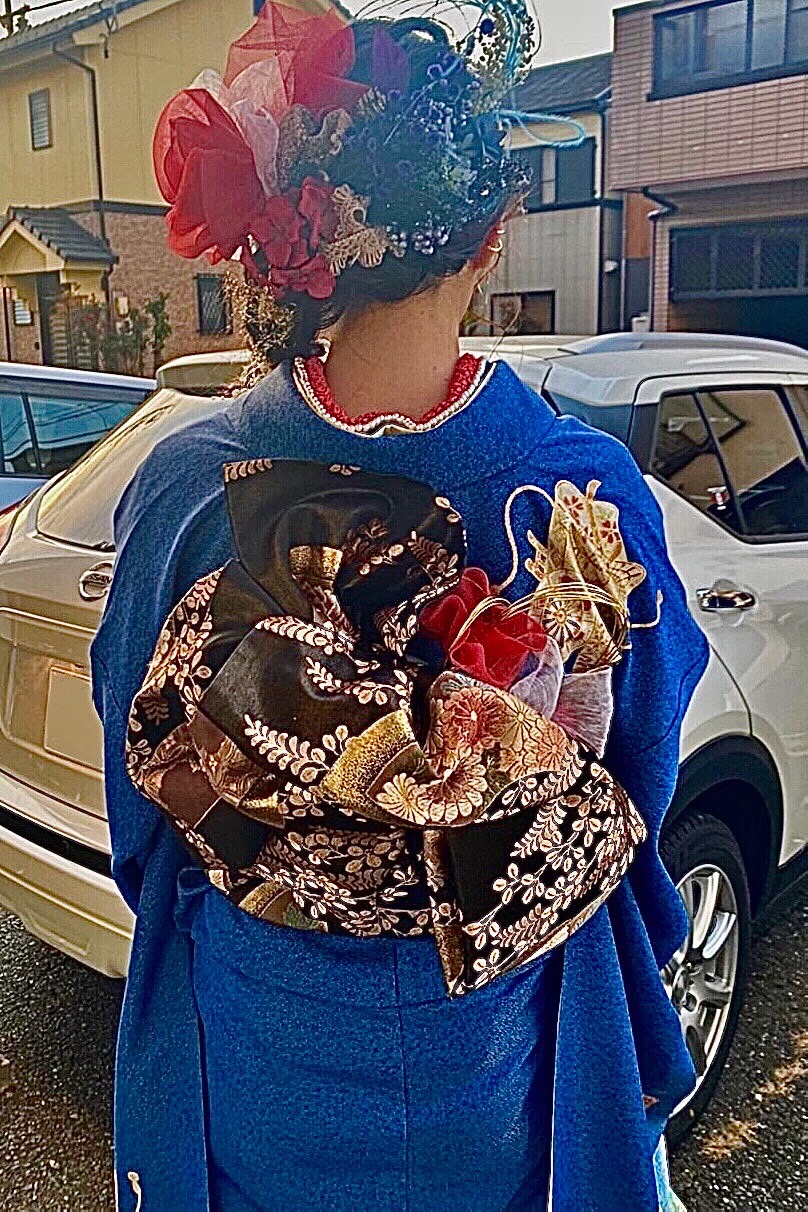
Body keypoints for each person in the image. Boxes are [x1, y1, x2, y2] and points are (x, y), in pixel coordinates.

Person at [91, 4, 708, 1209]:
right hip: (496, 1030)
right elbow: (636, 772)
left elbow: (143, 791)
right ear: (491, 236)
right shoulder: (576, 492)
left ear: (302, 244)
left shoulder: (186, 485)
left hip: (260, 1023)